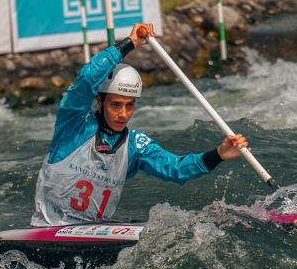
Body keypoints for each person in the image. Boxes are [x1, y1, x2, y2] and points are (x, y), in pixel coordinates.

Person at [31, 23, 248, 227]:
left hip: (93, 233)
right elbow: (86, 80)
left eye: (129, 105)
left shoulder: (135, 145)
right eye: (115, 105)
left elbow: (175, 168)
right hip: (47, 228)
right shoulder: (74, 125)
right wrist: (129, 44)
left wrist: (219, 154)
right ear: (100, 100)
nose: (123, 114)